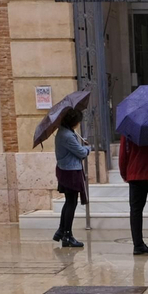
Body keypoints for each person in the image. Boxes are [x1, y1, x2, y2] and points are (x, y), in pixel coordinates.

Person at [51, 106, 88, 248]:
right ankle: (67, 234)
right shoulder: (67, 135)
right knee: (71, 203)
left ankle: (62, 231)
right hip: (70, 171)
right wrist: (87, 148)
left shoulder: (64, 132)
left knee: (69, 202)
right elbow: (82, 153)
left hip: (66, 170)